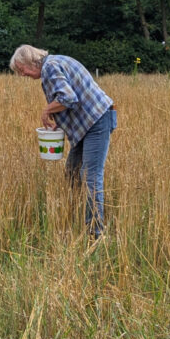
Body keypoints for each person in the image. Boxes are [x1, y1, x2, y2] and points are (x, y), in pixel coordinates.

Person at [10, 45, 117, 238]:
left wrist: (47, 110)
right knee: (72, 172)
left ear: (30, 61)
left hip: (97, 120)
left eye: (21, 69)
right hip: (89, 123)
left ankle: (95, 232)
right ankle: (76, 215)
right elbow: (71, 98)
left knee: (91, 176)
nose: (22, 74)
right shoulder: (55, 62)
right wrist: (61, 122)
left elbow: (68, 98)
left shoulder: (50, 67)